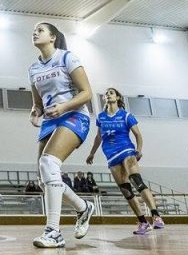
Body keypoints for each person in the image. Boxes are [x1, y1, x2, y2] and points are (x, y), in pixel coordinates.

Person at [29, 23, 94, 249]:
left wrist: (64, 106)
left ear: (53, 37)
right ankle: (83, 208)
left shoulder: (67, 58)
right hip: (50, 120)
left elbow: (87, 93)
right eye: (34, 31)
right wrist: (35, 111)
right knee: (45, 179)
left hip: (75, 115)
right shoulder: (33, 69)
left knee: (49, 163)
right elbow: (38, 103)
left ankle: (54, 232)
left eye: (40, 30)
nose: (35, 33)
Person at [87, 87, 166, 234]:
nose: (108, 95)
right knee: (126, 190)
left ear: (117, 97)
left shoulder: (126, 115)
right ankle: (143, 222)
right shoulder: (101, 117)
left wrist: (139, 150)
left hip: (126, 150)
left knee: (136, 181)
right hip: (111, 155)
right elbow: (99, 137)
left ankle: (156, 216)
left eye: (111, 93)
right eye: (106, 94)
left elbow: (138, 135)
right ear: (104, 99)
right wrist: (91, 153)